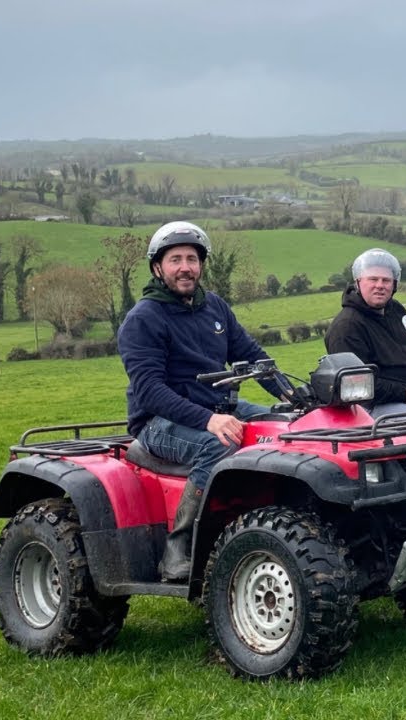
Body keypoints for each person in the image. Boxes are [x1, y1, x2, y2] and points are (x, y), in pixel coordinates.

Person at [118, 221, 284, 582]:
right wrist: (208, 420)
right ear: (157, 268)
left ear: (201, 265)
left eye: (192, 259)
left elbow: (254, 357)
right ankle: (179, 549)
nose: (185, 267)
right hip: (158, 422)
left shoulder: (215, 308)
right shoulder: (143, 319)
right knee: (216, 445)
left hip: (218, 406)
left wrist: (294, 398)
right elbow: (149, 391)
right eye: (175, 259)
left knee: (283, 426)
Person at [324, 248, 406, 416]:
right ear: (358, 282)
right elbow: (359, 385)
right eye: (373, 279)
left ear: (394, 284)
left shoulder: (396, 310)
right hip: (376, 408)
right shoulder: (347, 327)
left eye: (386, 280)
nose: (380, 285)